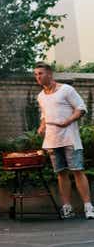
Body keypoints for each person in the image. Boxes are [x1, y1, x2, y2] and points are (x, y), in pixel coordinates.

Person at [33, 62, 94, 220]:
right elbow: (45, 116)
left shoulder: (66, 90)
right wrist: (42, 126)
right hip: (52, 141)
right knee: (61, 174)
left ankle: (88, 207)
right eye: (36, 74)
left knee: (77, 171)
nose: (37, 77)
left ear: (50, 74)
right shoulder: (40, 96)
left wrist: (67, 121)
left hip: (70, 139)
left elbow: (81, 109)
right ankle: (67, 207)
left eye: (40, 73)